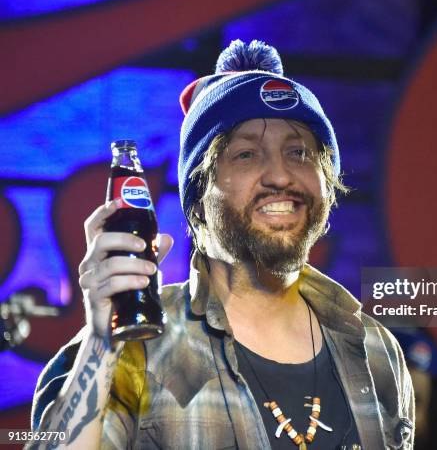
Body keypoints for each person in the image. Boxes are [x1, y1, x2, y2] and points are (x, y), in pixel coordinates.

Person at [29, 40, 415, 449]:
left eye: (299, 152)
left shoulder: (376, 350)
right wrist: (101, 341)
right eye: (246, 155)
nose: (280, 176)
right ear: (198, 199)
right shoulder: (133, 350)